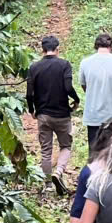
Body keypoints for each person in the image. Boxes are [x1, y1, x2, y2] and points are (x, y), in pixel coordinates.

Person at [26, 35, 79, 194]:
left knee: (46, 150)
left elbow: (29, 94)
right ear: (57, 49)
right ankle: (59, 171)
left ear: (42, 50)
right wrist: (76, 100)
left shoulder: (34, 67)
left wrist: (32, 110)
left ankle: (48, 185)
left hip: (43, 115)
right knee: (66, 145)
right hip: (62, 114)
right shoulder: (64, 65)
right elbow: (68, 87)